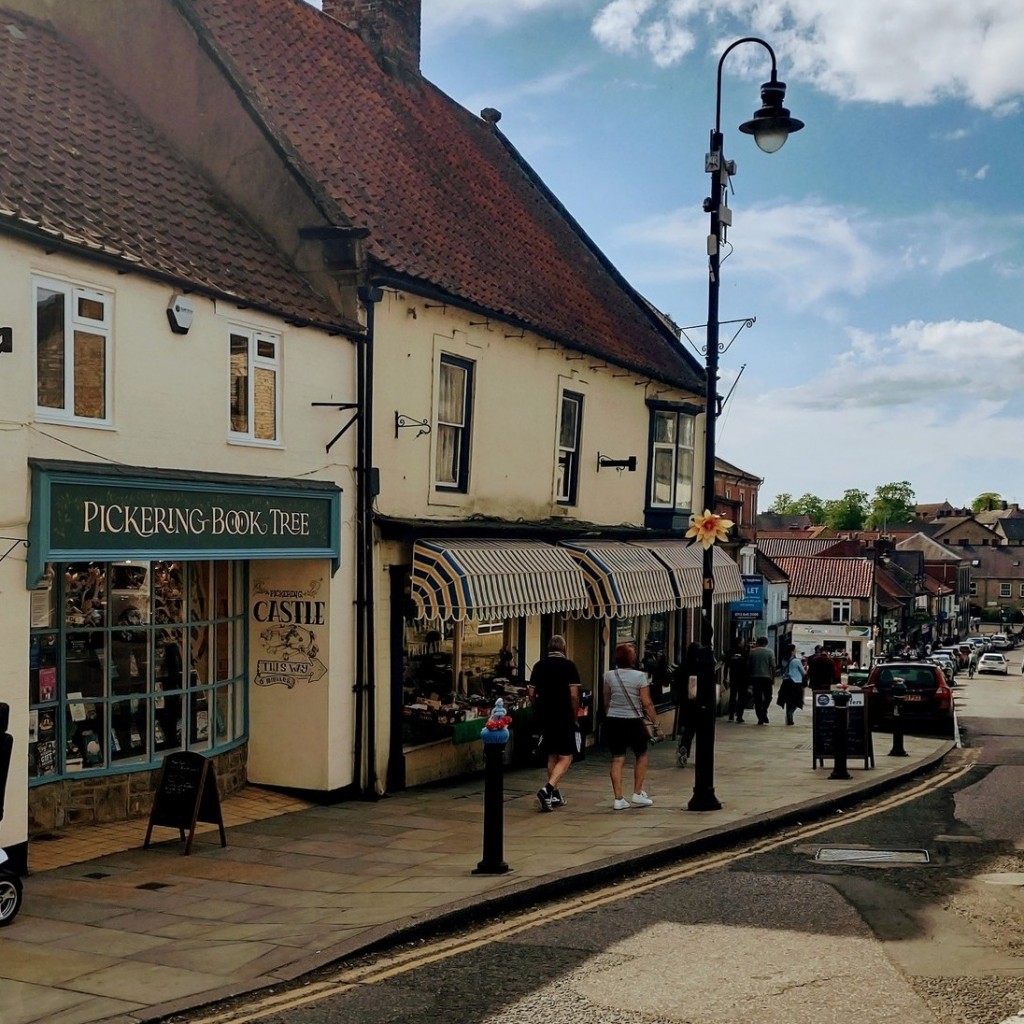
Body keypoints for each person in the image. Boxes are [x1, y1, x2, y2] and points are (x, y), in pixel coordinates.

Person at [602, 643, 662, 808]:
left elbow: (606, 699)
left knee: (617, 758)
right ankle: (637, 793)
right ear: (632, 659)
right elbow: (647, 703)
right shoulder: (640, 677)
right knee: (641, 755)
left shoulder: (608, 675)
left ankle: (618, 799)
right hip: (633, 720)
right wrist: (656, 724)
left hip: (614, 720)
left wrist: (609, 713)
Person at [528, 635, 581, 812]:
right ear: (563, 649)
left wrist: (538, 707)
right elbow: (574, 695)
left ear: (548, 648)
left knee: (551, 754)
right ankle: (547, 789)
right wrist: (574, 716)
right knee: (566, 756)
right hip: (564, 715)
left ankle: (553, 795)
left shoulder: (538, 666)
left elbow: (531, 693)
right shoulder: (569, 666)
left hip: (545, 715)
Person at [671, 643, 701, 767]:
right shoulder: (702, 667)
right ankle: (701, 756)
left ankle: (684, 747)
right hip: (700, 703)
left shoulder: (683, 666)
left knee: (688, 730)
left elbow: (675, 681)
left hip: (685, 703)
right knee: (702, 731)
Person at [747, 636, 776, 725]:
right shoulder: (770, 652)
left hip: (755, 678)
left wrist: (749, 678)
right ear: (766, 643)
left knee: (757, 698)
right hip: (766, 678)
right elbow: (773, 666)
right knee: (769, 696)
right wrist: (773, 678)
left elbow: (748, 665)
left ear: (758, 643)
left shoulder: (752, 652)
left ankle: (760, 717)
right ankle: (764, 710)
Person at [778, 644, 807, 725]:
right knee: (796, 701)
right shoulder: (796, 661)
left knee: (788, 701)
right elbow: (803, 672)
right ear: (792, 651)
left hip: (786, 682)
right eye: (794, 650)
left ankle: (788, 715)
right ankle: (790, 714)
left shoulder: (783, 660)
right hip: (796, 683)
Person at [726, 642, 750, 722]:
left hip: (733, 677)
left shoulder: (730, 652)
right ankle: (739, 715)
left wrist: (725, 677)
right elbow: (748, 664)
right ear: (739, 643)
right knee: (741, 697)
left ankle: (731, 715)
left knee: (732, 696)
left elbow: (726, 665)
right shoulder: (745, 652)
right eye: (742, 642)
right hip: (743, 677)